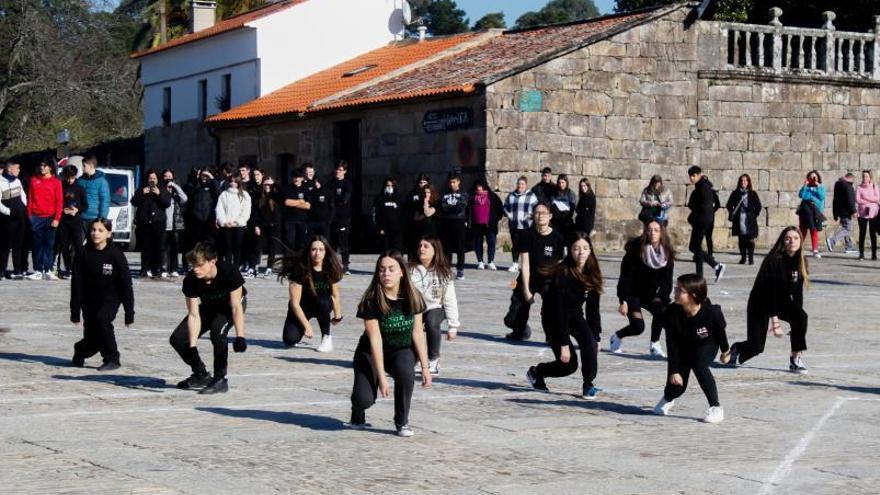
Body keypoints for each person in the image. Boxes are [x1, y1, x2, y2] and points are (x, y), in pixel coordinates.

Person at [349, 251, 431, 437]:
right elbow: (375, 340)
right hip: (370, 351)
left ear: (402, 271)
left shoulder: (413, 296)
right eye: (382, 270)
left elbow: (418, 333)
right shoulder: (371, 300)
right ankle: (357, 412)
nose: (386, 274)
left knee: (405, 372)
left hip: (401, 349)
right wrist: (382, 377)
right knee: (364, 398)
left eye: (391, 269)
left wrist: (425, 367)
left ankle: (401, 422)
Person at [526, 231, 603, 399]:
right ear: (570, 250)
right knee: (568, 364)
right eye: (576, 248)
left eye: (585, 248)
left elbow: (593, 308)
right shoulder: (562, 272)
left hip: (575, 315)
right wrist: (563, 343)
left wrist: (596, 334)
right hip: (554, 318)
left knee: (590, 343)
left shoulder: (592, 272)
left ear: (590, 250)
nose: (581, 252)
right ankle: (537, 372)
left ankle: (588, 384)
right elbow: (558, 309)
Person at [728, 226, 810, 373]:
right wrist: (775, 321)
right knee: (757, 347)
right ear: (783, 242)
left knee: (801, 316)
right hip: (760, 302)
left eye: (796, 238)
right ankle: (737, 348)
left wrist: (796, 323)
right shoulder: (774, 260)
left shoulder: (801, 261)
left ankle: (795, 359)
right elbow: (769, 292)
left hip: (782, 301)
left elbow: (797, 293)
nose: (792, 241)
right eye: (788, 238)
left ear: (801, 241)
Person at [169, 242, 248, 394]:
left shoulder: (229, 272)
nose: (195, 269)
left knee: (217, 332)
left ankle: (220, 379)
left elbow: (236, 307)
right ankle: (201, 375)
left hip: (231, 306)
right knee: (178, 338)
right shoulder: (191, 280)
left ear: (212, 261)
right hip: (209, 306)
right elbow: (193, 314)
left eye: (199, 265)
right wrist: (192, 346)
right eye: (193, 265)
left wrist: (240, 336)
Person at [653, 274, 729, 424]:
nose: (674, 291)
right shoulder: (672, 312)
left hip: (707, 344)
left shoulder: (712, 312)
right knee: (676, 387)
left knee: (698, 363)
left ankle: (716, 407)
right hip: (683, 347)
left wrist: (725, 351)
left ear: (693, 295)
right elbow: (672, 343)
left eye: (679, 290)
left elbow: (720, 332)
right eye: (675, 288)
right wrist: (674, 371)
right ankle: (669, 398)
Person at [70, 218, 135, 371]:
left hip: (111, 297)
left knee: (103, 320)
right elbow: (76, 283)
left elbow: (126, 285)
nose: (95, 233)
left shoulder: (116, 255)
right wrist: (75, 311)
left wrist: (129, 312)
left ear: (108, 234)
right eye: (93, 230)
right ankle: (80, 349)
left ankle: (112, 358)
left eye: (100, 230)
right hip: (89, 299)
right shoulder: (82, 253)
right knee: (93, 338)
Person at [609, 219, 674, 358]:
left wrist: (664, 300)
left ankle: (654, 344)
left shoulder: (667, 254)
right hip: (633, 294)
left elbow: (667, 282)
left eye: (656, 230)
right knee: (638, 327)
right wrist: (623, 300)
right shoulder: (636, 250)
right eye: (649, 230)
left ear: (662, 232)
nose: (652, 233)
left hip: (651, 295)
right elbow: (625, 277)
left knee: (662, 312)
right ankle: (617, 336)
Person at [503, 203, 566, 341]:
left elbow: (559, 265)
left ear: (550, 216)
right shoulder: (526, 234)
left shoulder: (558, 238)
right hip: (528, 278)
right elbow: (524, 264)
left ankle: (551, 336)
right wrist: (526, 290)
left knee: (550, 313)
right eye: (537, 213)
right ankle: (520, 330)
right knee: (511, 318)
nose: (540, 216)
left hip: (548, 281)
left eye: (543, 213)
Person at [279, 236, 343, 352]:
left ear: (326, 251)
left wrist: (338, 315)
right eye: (314, 249)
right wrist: (306, 326)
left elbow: (335, 295)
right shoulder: (300, 269)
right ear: (309, 251)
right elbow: (294, 303)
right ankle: (301, 327)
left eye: (321, 250)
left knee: (323, 300)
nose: (317, 253)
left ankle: (326, 338)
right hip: (302, 307)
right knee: (289, 340)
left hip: (321, 305)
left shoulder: (330, 268)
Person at [410, 236, 459, 375]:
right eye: (420, 246)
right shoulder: (411, 271)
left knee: (432, 322)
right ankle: (414, 358)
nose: (421, 249)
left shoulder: (444, 273)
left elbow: (450, 299)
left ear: (435, 251)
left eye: (426, 246)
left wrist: (453, 326)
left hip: (435, 307)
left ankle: (433, 359)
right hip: (415, 309)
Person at [26, 157, 63, 280]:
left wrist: (57, 218)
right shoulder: (33, 180)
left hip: (50, 217)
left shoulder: (56, 182)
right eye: (41, 165)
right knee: (37, 245)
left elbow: (59, 201)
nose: (42, 168)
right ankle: (37, 269)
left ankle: (48, 269)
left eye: (45, 165)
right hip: (36, 217)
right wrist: (30, 216)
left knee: (49, 244)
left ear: (50, 167)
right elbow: (30, 199)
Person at [687, 166, 725, 282]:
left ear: (699, 175)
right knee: (694, 247)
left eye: (693, 176)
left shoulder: (704, 187)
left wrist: (695, 218)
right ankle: (715, 267)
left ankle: (702, 274)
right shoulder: (700, 187)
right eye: (690, 176)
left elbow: (706, 207)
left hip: (702, 221)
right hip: (701, 220)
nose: (691, 178)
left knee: (695, 247)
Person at [132, 169, 171, 278]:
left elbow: (167, 203)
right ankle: (145, 269)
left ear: (157, 179)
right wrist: (142, 193)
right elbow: (134, 201)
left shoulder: (162, 190)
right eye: (150, 178)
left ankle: (156, 269)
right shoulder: (141, 189)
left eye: (154, 178)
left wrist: (159, 194)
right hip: (144, 223)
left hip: (158, 223)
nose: (152, 180)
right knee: (145, 247)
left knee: (158, 247)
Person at [57, 165, 88, 278]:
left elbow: (85, 205)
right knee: (64, 246)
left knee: (78, 246)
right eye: (67, 177)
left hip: (75, 220)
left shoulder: (80, 188)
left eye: (72, 178)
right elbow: (57, 202)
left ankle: (79, 268)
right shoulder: (60, 186)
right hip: (63, 221)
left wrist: (77, 210)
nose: (69, 180)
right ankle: (68, 268)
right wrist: (62, 210)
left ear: (75, 176)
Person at [215, 176, 251, 270]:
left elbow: (246, 211)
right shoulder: (224, 194)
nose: (233, 183)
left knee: (237, 248)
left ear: (239, 183)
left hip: (238, 226)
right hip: (226, 226)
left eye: (235, 181)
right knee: (227, 248)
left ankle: (235, 268)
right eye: (231, 181)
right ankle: (227, 267)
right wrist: (223, 221)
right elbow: (219, 209)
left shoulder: (244, 195)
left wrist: (237, 222)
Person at [725, 174, 762, 265]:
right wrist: (732, 211)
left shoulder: (753, 194)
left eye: (745, 180)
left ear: (748, 182)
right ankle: (743, 258)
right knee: (741, 240)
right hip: (739, 219)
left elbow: (758, 206)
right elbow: (729, 205)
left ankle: (751, 258)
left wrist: (754, 215)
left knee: (750, 239)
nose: (743, 182)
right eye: (742, 180)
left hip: (750, 220)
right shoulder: (735, 193)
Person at [504, 176, 538, 272]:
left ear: (526, 185)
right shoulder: (511, 195)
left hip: (527, 225)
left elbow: (537, 208)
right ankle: (515, 264)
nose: (520, 186)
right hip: (514, 225)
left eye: (522, 184)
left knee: (526, 246)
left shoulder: (531, 195)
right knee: (515, 245)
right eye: (519, 184)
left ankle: (526, 265)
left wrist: (531, 215)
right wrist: (508, 214)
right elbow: (505, 207)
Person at [0, 160, 27, 279]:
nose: (19, 170)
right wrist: (8, 212)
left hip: (20, 218)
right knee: (5, 246)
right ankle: (1, 271)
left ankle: (17, 270)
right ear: (9, 169)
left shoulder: (17, 181)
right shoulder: (1, 182)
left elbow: (23, 195)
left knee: (18, 245)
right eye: (17, 168)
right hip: (7, 219)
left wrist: (23, 206)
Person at [439, 173, 469, 280]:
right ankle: (447, 269)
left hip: (459, 221)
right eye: (450, 182)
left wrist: (450, 207)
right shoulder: (445, 194)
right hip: (447, 222)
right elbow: (442, 206)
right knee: (447, 248)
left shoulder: (463, 194)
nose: (452, 184)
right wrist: (451, 208)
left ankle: (460, 270)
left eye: (454, 182)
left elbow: (461, 206)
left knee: (460, 247)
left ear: (458, 182)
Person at [469, 180, 503, 270]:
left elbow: (500, 208)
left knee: (491, 243)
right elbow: (468, 209)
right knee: (478, 244)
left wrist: (495, 219)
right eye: (477, 186)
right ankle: (480, 261)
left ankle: (491, 261)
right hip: (477, 225)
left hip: (490, 225)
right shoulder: (472, 197)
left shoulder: (492, 196)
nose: (479, 188)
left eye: (481, 186)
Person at [185, 168, 220, 249]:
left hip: (208, 217)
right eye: (202, 175)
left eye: (206, 175)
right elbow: (191, 192)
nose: (204, 177)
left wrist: (211, 177)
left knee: (209, 240)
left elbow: (218, 192)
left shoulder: (212, 186)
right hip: (197, 217)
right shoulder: (196, 185)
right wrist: (197, 177)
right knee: (197, 241)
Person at [162, 169, 188, 277]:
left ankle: (173, 269)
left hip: (175, 225)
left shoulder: (176, 194)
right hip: (163, 224)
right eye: (166, 176)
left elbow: (185, 198)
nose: (168, 178)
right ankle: (164, 268)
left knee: (174, 248)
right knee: (163, 248)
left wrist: (175, 186)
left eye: (170, 176)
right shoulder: (161, 191)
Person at [77, 154, 110, 235]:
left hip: (94, 218)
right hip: (80, 217)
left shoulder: (102, 182)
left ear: (91, 166)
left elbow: (105, 201)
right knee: (77, 245)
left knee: (92, 244)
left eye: (84, 166)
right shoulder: (80, 180)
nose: (82, 168)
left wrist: (101, 219)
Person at [329, 161, 352, 274]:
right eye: (337, 170)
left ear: (345, 172)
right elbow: (329, 199)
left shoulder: (347, 184)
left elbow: (344, 199)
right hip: (333, 217)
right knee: (332, 242)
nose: (338, 172)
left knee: (343, 242)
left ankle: (345, 265)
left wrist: (335, 200)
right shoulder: (330, 184)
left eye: (341, 170)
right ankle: (332, 265)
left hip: (344, 217)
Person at [796, 170, 826, 258]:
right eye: (811, 177)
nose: (813, 179)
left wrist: (817, 187)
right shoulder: (806, 187)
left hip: (815, 211)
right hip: (805, 211)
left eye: (814, 177)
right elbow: (801, 195)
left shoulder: (821, 187)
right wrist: (805, 185)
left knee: (814, 230)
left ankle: (815, 250)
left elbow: (822, 197)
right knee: (803, 230)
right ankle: (798, 248)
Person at [826, 172, 857, 256]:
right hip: (847, 211)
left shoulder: (838, 185)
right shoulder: (848, 186)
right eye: (853, 180)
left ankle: (849, 247)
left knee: (847, 228)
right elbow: (850, 200)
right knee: (847, 229)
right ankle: (832, 240)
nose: (853, 182)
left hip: (840, 211)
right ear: (850, 178)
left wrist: (835, 214)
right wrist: (854, 211)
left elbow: (835, 201)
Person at [256, 177, 282, 275]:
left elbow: (281, 193)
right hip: (262, 225)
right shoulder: (260, 196)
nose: (267, 186)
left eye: (270, 185)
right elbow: (256, 212)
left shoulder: (276, 196)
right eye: (265, 184)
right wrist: (257, 225)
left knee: (272, 247)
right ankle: (255, 265)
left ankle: (270, 266)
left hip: (274, 225)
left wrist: (274, 184)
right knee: (258, 246)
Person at [281, 169, 311, 253]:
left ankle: (299, 263)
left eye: (299, 177)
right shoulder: (287, 188)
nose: (297, 179)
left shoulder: (305, 189)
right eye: (295, 177)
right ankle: (289, 263)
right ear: (292, 178)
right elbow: (287, 202)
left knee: (301, 243)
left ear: (302, 178)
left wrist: (294, 203)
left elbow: (308, 205)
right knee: (289, 242)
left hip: (302, 220)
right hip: (290, 220)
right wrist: (300, 201)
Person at [404, 174, 431, 258]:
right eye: (420, 182)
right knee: (413, 245)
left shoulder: (430, 192)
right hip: (414, 223)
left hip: (427, 223)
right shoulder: (413, 193)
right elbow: (407, 206)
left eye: (424, 182)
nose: (422, 183)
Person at [853, 170, 878, 261]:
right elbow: (858, 200)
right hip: (862, 213)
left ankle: (874, 254)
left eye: (866, 176)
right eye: (863, 176)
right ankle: (861, 254)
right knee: (862, 233)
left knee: (873, 234)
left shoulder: (875, 186)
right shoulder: (859, 187)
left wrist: (866, 198)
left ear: (870, 177)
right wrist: (871, 201)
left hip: (873, 213)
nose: (864, 178)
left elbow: (877, 198)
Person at [373, 177, 403, 252]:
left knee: (397, 250)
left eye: (391, 186)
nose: (389, 188)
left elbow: (402, 213)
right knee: (385, 250)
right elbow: (376, 213)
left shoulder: (399, 198)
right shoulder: (379, 198)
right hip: (384, 229)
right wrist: (379, 227)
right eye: (387, 186)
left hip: (396, 229)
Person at [549, 174, 577, 241]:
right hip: (556, 222)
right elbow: (552, 206)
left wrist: (566, 219)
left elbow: (572, 210)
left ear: (566, 183)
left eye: (563, 182)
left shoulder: (570, 193)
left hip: (566, 222)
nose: (561, 185)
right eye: (559, 183)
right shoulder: (554, 193)